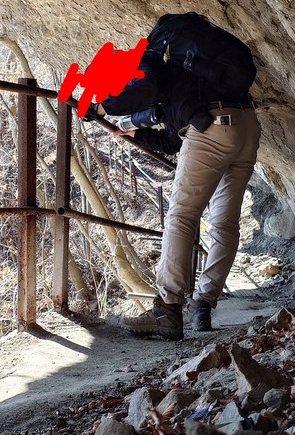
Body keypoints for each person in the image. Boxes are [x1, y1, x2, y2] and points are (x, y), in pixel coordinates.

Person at [89, 17, 261, 339]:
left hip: (214, 127)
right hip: (246, 127)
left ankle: (168, 309)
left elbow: (147, 89)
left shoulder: (149, 60)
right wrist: (135, 132)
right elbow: (175, 140)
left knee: (181, 216)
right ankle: (203, 305)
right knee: (224, 224)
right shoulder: (189, 77)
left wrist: (101, 106)